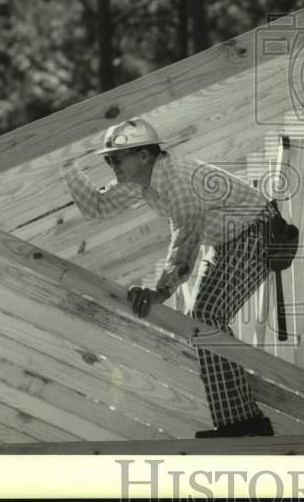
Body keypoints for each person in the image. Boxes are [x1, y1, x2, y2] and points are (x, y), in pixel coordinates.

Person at [60, 117, 278, 438]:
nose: (111, 165)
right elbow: (97, 207)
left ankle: (243, 424)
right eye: (108, 159)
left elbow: (185, 237)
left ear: (144, 156)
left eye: (115, 158)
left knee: (206, 317)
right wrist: (65, 165)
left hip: (260, 232)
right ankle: (240, 423)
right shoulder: (141, 182)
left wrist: (160, 290)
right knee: (201, 322)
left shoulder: (177, 179)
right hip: (227, 242)